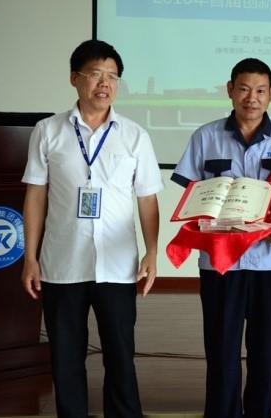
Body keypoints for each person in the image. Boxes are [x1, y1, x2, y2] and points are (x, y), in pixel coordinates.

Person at [21, 39, 163, 417]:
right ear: (75, 78)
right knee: (65, 357)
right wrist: (30, 257)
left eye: (113, 77)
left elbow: (147, 199)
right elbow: (35, 197)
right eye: (96, 74)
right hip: (62, 264)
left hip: (117, 266)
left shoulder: (134, 135)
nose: (105, 84)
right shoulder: (47, 131)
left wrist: (151, 252)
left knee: (120, 356)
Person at [171, 58, 271, 418]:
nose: (251, 98)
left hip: (268, 261)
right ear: (230, 90)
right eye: (244, 89)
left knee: (265, 351)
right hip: (220, 262)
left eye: (260, 90)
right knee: (221, 350)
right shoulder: (205, 137)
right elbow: (190, 197)